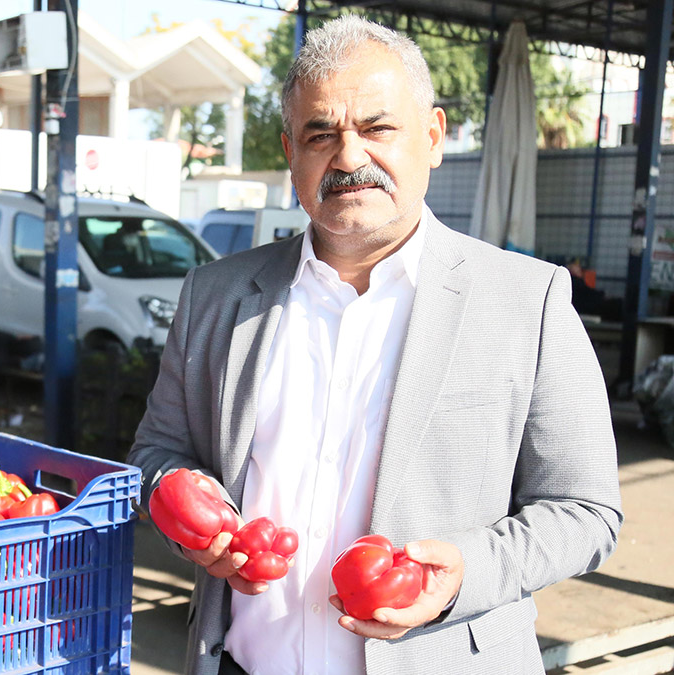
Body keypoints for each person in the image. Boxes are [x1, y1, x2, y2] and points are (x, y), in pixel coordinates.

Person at [127, 15, 621, 675]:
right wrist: (188, 511)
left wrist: (466, 572)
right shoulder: (213, 297)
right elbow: (156, 454)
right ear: (291, 152)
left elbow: (586, 511)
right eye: (320, 133)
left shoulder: (526, 301)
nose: (349, 156)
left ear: (433, 136)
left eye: (378, 127)